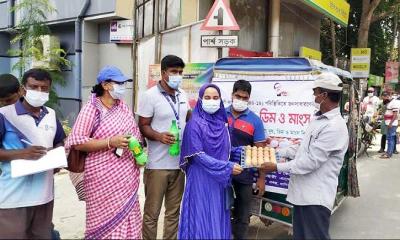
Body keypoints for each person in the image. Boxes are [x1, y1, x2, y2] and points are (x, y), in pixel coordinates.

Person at [261, 72, 349, 240]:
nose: (313, 96)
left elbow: (310, 162)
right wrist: (275, 150)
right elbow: (302, 149)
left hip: (315, 198)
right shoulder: (318, 120)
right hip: (303, 195)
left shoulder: (334, 127)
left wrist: (276, 167)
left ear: (324, 95)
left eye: (315, 92)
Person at [65, 66, 143, 239]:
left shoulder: (123, 107)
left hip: (127, 175)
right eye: (119, 83)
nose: (123, 86)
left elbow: (135, 136)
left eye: (124, 83)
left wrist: (139, 155)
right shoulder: (91, 109)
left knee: (130, 216)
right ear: (106, 85)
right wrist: (110, 142)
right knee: (103, 223)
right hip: (101, 177)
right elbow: (77, 141)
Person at [0, 69, 66, 239]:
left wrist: (57, 157)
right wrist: (23, 153)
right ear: (23, 89)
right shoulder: (4, 114)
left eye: (44, 88)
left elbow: (60, 141)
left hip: (44, 196)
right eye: (34, 87)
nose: (39, 92)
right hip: (12, 198)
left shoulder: (51, 115)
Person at [178, 83, 243, 239]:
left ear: (220, 100)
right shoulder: (194, 124)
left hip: (219, 180)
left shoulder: (223, 124)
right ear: (200, 100)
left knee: (217, 216)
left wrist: (245, 152)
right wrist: (227, 167)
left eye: (215, 98)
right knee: (201, 218)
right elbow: (198, 157)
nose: (212, 101)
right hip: (201, 179)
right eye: (207, 97)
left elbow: (226, 150)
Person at [138, 55, 190, 239]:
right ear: (163, 73)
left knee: (173, 213)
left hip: (180, 165)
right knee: (152, 214)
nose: (178, 76)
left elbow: (188, 119)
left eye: (180, 72)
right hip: (157, 165)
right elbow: (142, 125)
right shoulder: (150, 96)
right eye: (174, 72)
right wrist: (159, 136)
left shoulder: (183, 95)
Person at [226, 80, 267, 239]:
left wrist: (261, 179)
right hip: (223, 172)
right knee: (221, 211)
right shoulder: (221, 114)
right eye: (238, 96)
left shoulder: (255, 120)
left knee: (243, 216)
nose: (241, 100)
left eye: (245, 98)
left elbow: (261, 153)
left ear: (249, 98)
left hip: (244, 175)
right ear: (232, 95)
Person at [380, 91, 400, 159]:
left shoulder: (394, 103)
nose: (384, 100)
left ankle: (388, 154)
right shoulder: (390, 102)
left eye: (384, 98)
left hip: (391, 124)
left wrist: (390, 123)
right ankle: (389, 152)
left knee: (390, 139)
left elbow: (395, 115)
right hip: (389, 123)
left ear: (387, 96)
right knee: (390, 138)